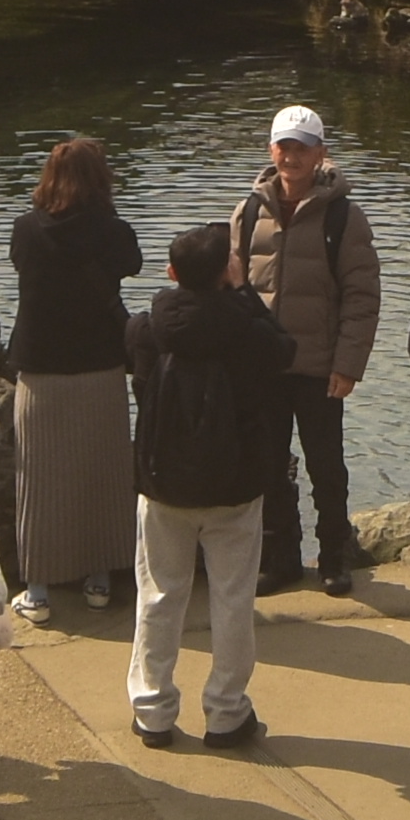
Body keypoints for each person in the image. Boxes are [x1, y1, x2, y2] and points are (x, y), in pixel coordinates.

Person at [128, 219, 294, 748]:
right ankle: (226, 711)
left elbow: (140, 380)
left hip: (163, 482)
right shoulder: (247, 332)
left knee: (159, 595)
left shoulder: (147, 329)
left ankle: (152, 710)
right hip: (234, 483)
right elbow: (283, 351)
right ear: (227, 271)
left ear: (172, 272)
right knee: (232, 599)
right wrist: (244, 293)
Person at [234, 106, 384, 590]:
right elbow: (232, 289)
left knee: (327, 468)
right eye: (284, 146)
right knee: (268, 465)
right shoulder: (249, 211)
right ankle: (280, 558)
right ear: (271, 149)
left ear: (320, 153)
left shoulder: (344, 215)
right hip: (264, 367)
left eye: (301, 147)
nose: (291, 156)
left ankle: (335, 557)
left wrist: (348, 365)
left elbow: (362, 296)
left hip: (320, 367)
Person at [9, 138, 146, 625]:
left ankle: (38, 591)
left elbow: (21, 264)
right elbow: (133, 264)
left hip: (40, 371)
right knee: (103, 475)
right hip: (99, 366)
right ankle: (99, 582)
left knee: (39, 482)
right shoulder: (113, 231)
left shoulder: (26, 229)